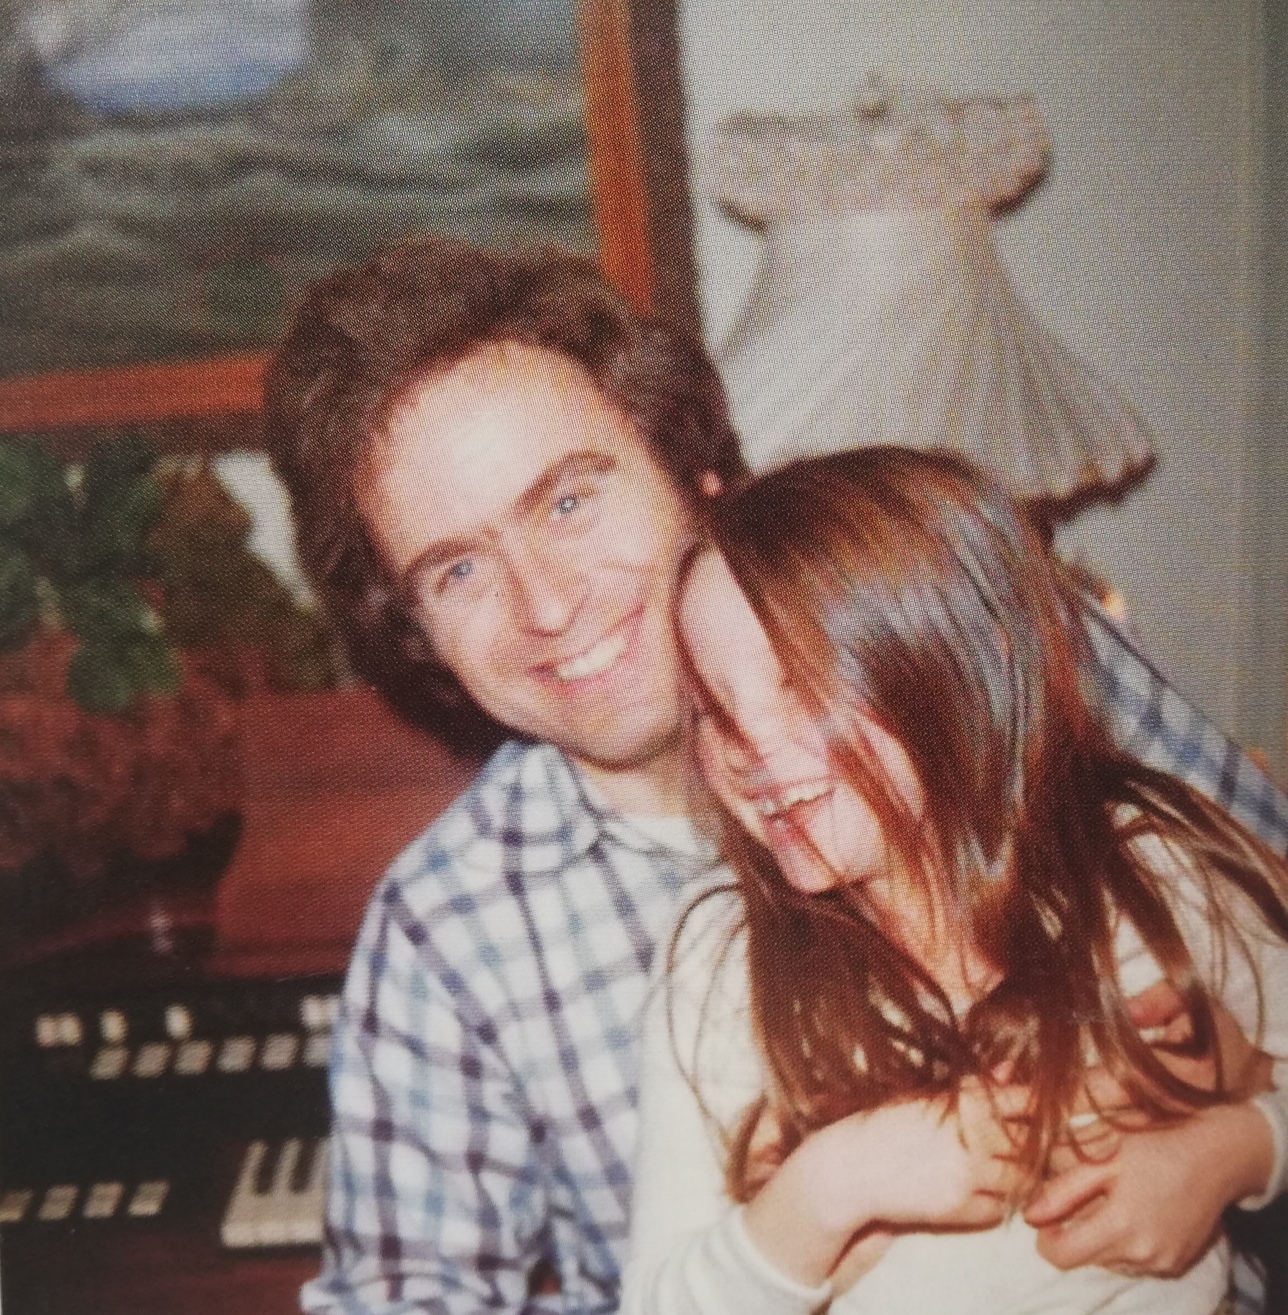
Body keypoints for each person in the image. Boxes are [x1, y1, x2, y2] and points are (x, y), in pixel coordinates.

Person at [261, 236, 1288, 1315]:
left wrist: (1237, 1133)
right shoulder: (448, 935)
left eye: (568, 501)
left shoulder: (1008, 657)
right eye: (457, 570)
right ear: (415, 632)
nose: (547, 605)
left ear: (698, 481)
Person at [623, 446, 1288, 1315]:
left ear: (953, 665)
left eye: (804, 684)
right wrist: (829, 1187)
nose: (752, 753)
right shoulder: (718, 958)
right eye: (716, 708)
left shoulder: (1144, 860)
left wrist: (1240, 1149)